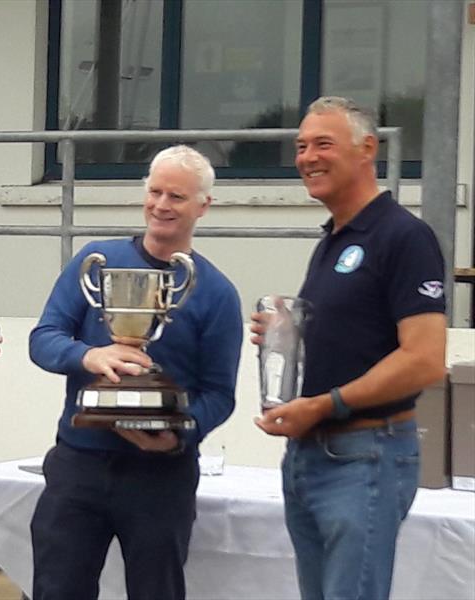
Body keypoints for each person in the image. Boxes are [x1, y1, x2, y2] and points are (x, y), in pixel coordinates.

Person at [252, 96, 447, 600]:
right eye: (300, 146)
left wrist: (324, 404)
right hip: (311, 455)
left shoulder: (405, 237)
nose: (307, 157)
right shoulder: (334, 241)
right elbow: (354, 337)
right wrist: (287, 332)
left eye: (322, 144)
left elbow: (424, 359)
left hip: (364, 457)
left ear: (367, 149)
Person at [29, 145, 243, 600]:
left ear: (204, 206)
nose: (162, 206)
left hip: (160, 475)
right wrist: (90, 357)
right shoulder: (97, 262)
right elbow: (43, 339)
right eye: (156, 192)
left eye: (177, 197)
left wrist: (180, 432)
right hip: (79, 462)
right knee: (57, 589)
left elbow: (220, 394)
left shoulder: (217, 294)